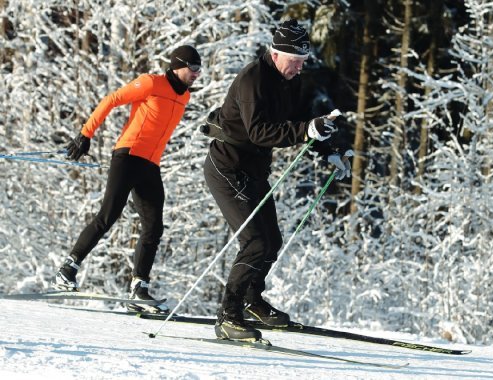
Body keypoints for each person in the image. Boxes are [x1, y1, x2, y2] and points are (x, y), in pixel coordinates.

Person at [203, 19, 350, 341]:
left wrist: (329, 150)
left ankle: (253, 302)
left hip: (254, 171)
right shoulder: (252, 79)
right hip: (227, 168)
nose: (299, 68)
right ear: (277, 53)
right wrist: (304, 130)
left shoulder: (289, 81)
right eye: (295, 61)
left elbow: (298, 122)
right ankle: (228, 315)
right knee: (255, 243)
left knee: (271, 242)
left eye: (303, 62)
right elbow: (259, 132)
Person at [54, 45, 202, 314]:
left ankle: (139, 288)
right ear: (177, 65)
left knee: (154, 226)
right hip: (129, 155)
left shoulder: (184, 97)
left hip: (151, 165)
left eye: (199, 69)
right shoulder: (150, 82)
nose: (196, 74)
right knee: (108, 215)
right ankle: (67, 269)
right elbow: (111, 99)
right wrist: (85, 134)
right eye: (192, 68)